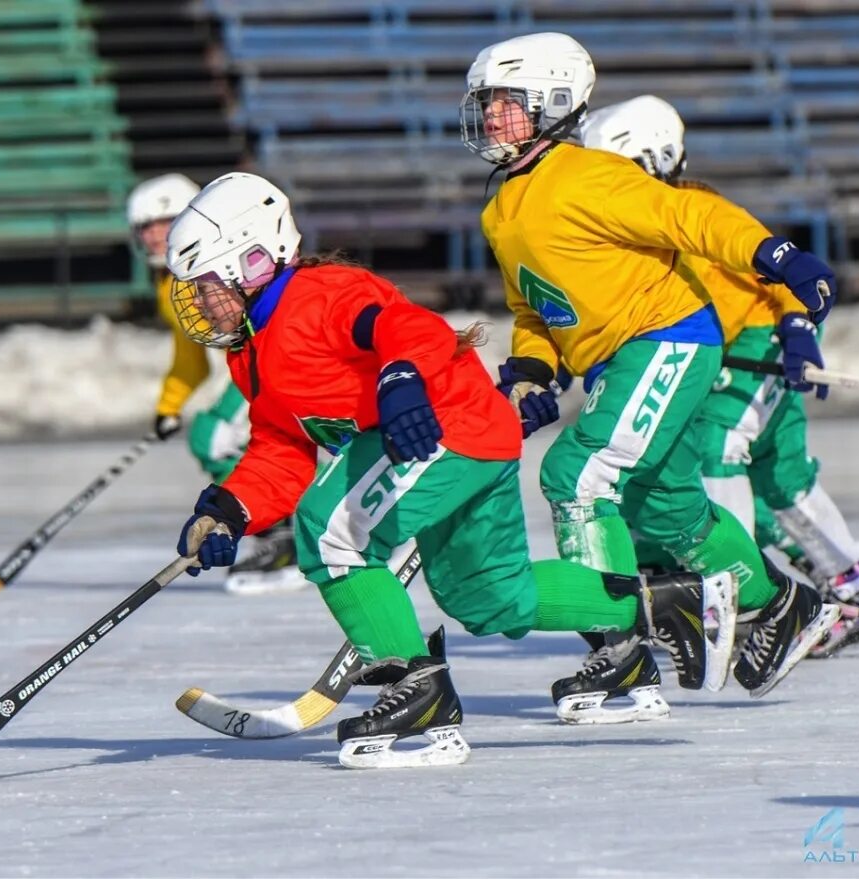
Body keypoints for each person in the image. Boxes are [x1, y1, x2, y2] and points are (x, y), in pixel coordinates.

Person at [162, 170, 740, 769]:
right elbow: (282, 448)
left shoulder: (321, 295)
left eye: (206, 284)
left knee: (330, 528)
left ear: (254, 260)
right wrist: (230, 511)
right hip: (468, 441)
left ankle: (417, 689)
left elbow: (406, 327)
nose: (200, 303)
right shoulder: (250, 353)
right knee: (490, 597)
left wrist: (401, 376)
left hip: (440, 431)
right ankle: (669, 602)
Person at [461, 33, 840, 723]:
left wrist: (777, 256)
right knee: (665, 511)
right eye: (486, 104)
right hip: (618, 360)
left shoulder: (588, 176)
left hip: (664, 340)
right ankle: (781, 603)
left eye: (506, 104)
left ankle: (622, 654)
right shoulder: (501, 208)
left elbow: (689, 214)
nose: (490, 118)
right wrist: (529, 369)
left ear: (552, 104)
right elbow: (534, 305)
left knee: (576, 476)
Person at [578, 95, 859, 666]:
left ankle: (736, 595)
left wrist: (799, 328)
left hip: (759, 342)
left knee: (718, 447)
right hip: (712, 356)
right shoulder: (630, 227)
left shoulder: (690, 209)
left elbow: (774, 271)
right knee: (780, 480)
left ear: (653, 160)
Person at [126, 174, 302, 594]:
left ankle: (282, 534)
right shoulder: (170, 282)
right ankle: (278, 530)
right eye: (143, 228)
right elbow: (188, 359)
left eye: (161, 223)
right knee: (217, 438)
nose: (152, 236)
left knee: (214, 436)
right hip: (239, 370)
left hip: (259, 364)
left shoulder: (216, 269)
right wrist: (169, 406)